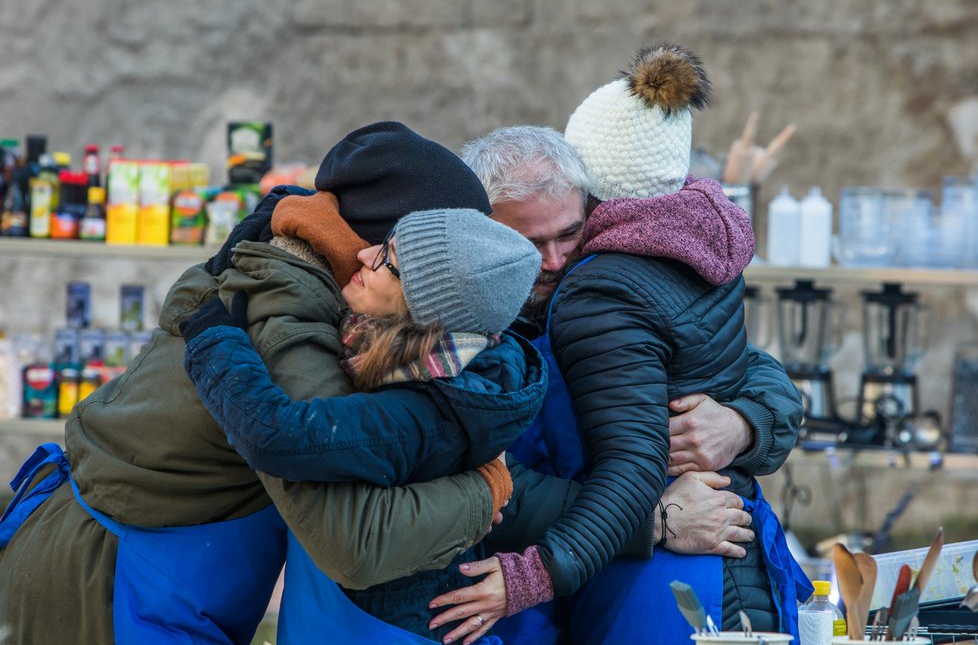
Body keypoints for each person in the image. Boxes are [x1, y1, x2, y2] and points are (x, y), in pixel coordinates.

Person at [0, 122, 527, 644]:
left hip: (113, 562)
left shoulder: (291, 258)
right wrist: (486, 489)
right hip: (112, 587)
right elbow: (350, 540)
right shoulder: (293, 312)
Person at [430, 45, 810, 645]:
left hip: (642, 583)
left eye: (569, 234)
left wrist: (740, 425)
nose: (553, 260)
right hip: (525, 582)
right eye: (528, 243)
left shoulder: (608, 287)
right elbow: (487, 486)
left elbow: (753, 371)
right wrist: (656, 520)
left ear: (595, 209)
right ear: (481, 233)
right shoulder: (453, 329)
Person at [180, 207, 544, 642]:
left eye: (389, 260)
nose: (366, 255)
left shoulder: (424, 410)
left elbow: (278, 435)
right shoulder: (437, 368)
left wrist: (213, 342)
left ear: (424, 303)